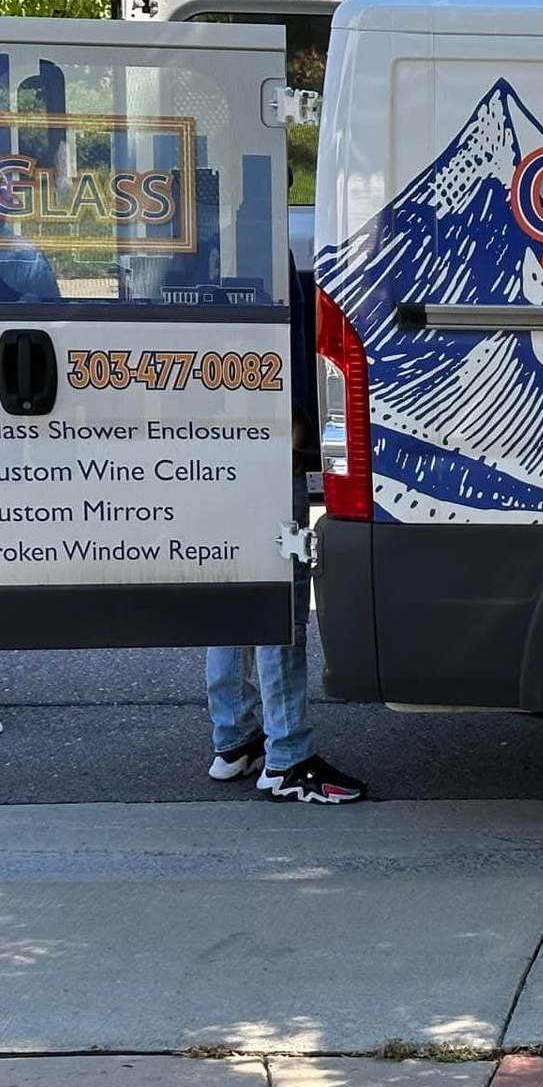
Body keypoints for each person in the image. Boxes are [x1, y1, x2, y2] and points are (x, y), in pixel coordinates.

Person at [206, 266, 367, 804]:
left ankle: (233, 739)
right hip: (270, 451)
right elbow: (296, 388)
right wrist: (299, 443)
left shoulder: (197, 270)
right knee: (281, 602)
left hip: (211, 449)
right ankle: (287, 757)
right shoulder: (277, 275)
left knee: (233, 588)